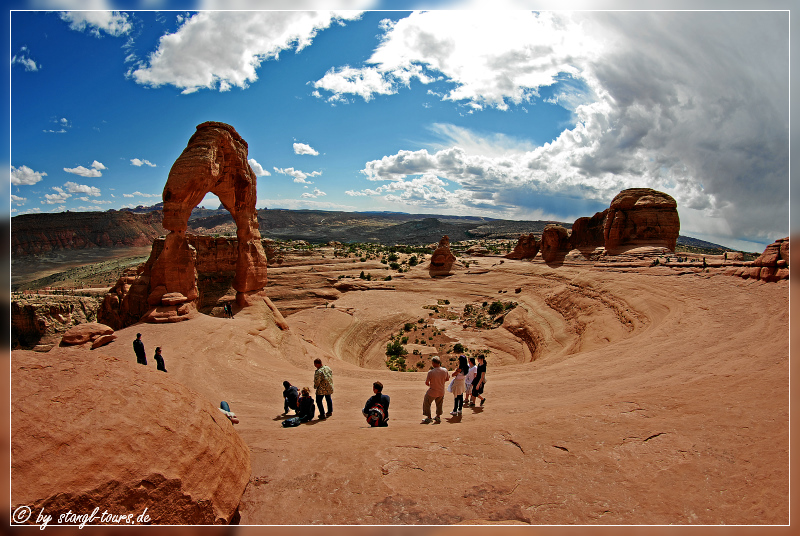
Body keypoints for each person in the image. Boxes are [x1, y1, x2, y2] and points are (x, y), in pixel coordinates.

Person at [422, 356, 449, 424]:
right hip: (441, 391)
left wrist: (431, 384)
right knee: (439, 404)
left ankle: (429, 417)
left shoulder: (431, 372)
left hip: (433, 391)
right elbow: (447, 379)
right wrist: (441, 382)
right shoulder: (445, 370)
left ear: (433, 363)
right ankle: (438, 416)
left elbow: (427, 382)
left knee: (427, 402)